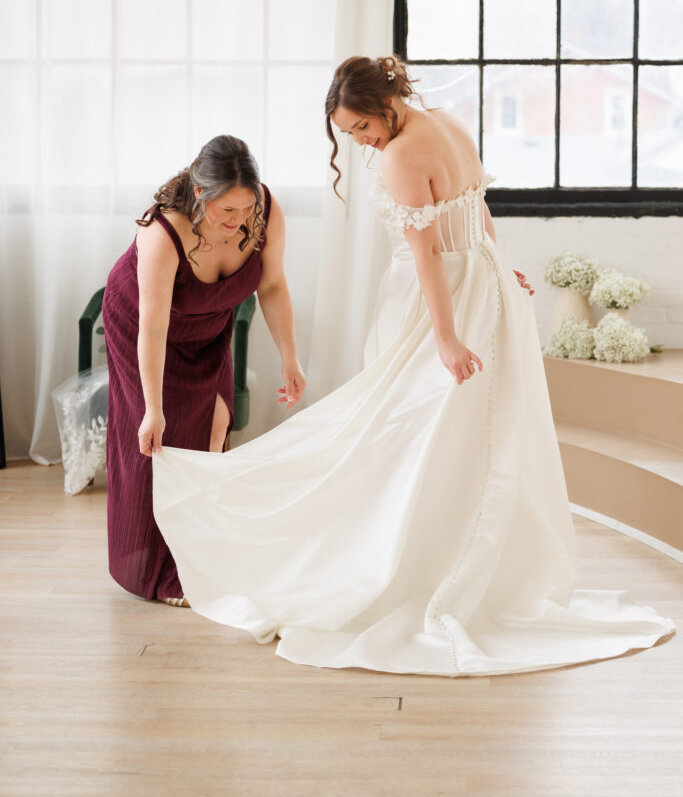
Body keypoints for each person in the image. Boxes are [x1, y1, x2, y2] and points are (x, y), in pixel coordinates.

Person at [152, 58, 674, 675]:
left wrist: (446, 338)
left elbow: (427, 252)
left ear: (386, 104)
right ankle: (441, 549)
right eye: (348, 133)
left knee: (404, 427)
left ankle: (407, 563)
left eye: (361, 127)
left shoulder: (402, 156)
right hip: (483, 282)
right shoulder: (450, 123)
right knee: (456, 430)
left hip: (437, 301)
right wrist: (500, 268)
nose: (359, 141)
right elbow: (478, 212)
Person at [103, 134, 305, 605]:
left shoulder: (265, 210)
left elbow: (272, 286)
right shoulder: (163, 232)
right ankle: (155, 570)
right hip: (145, 324)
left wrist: (289, 356)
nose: (238, 224)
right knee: (161, 442)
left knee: (215, 426)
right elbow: (151, 327)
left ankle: (199, 552)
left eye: (246, 208)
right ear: (200, 195)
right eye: (226, 212)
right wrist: (151, 408)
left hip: (209, 323)